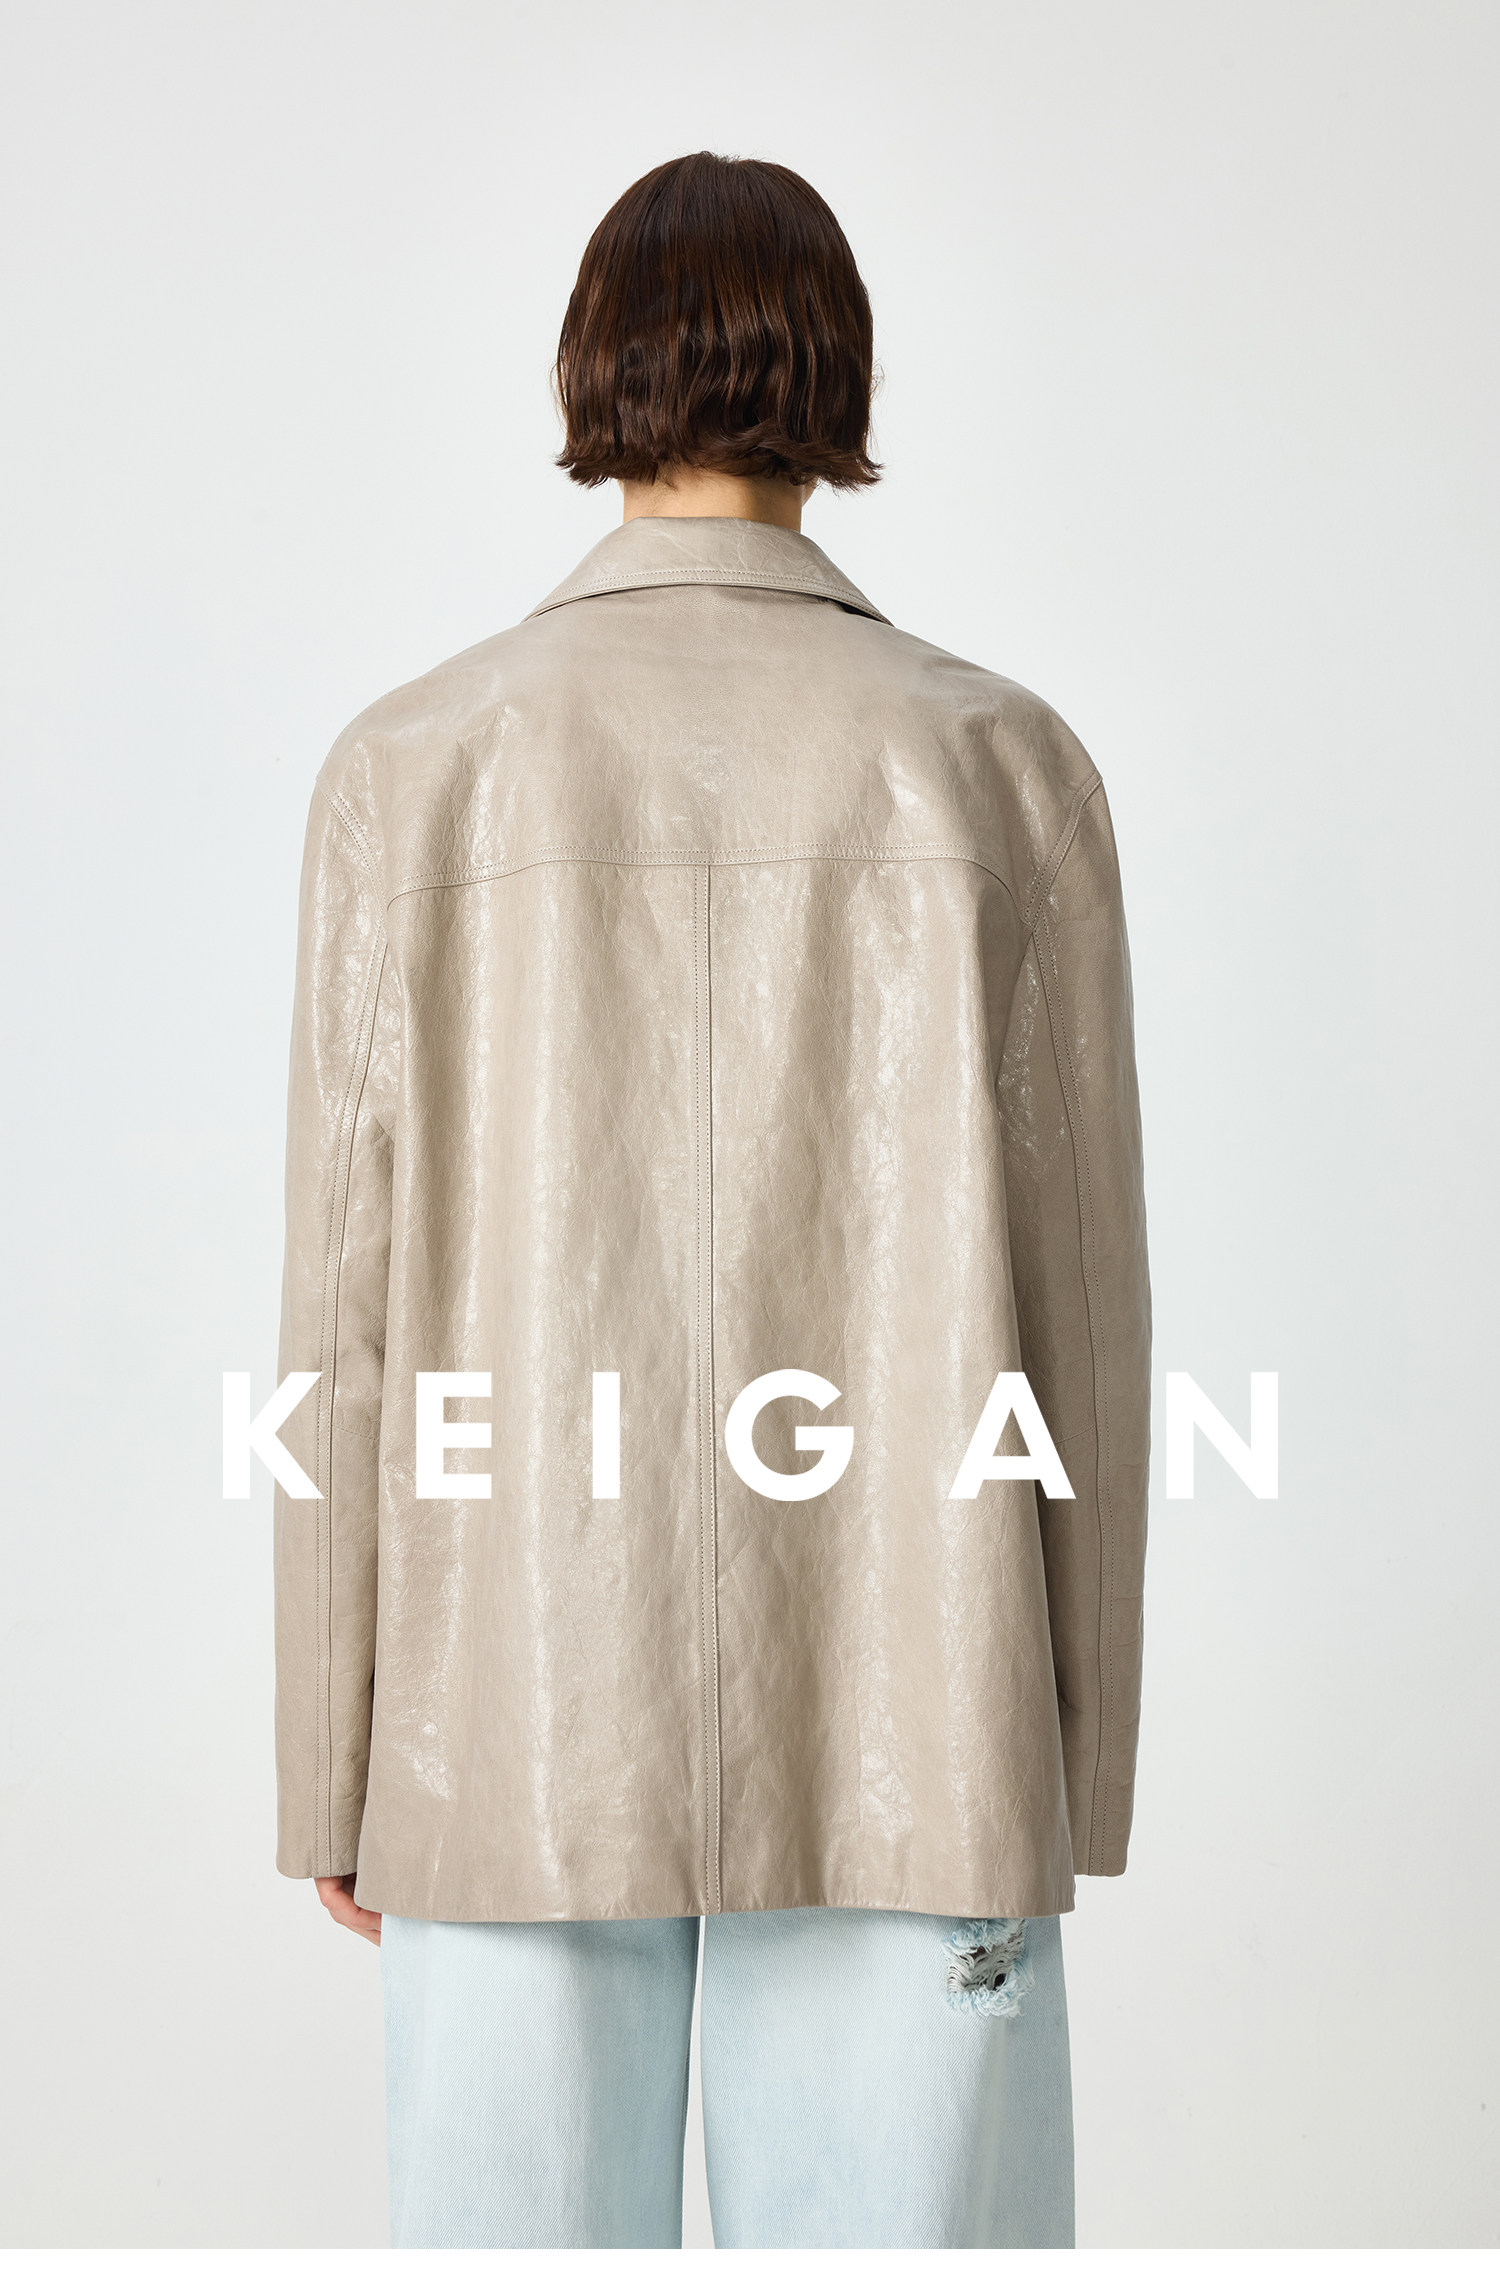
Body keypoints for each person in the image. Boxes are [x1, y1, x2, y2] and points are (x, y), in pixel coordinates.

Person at [273, 149, 1151, 2248]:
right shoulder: (1003, 764)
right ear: (837, 371)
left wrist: (335, 1752)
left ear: (595, 370)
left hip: (504, 1719)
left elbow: (346, 1320)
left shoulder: (412, 764)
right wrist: (1069, 1751)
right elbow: (1086, 1319)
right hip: (918, 1700)